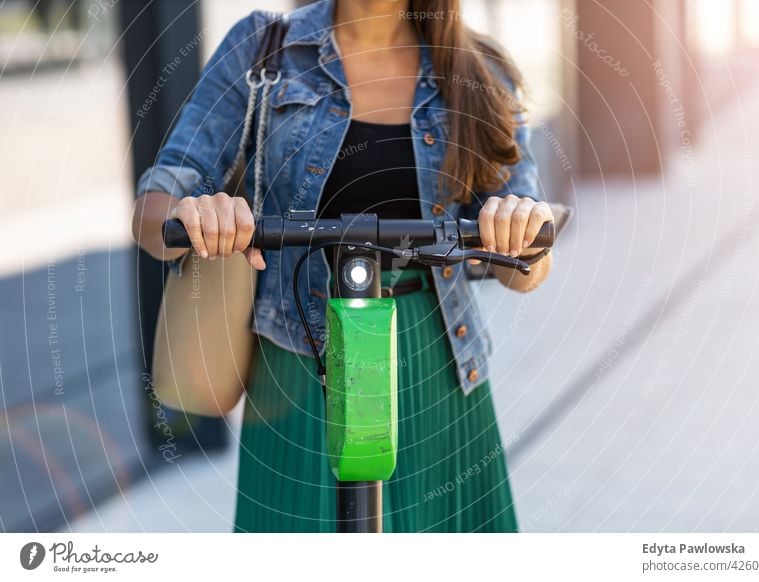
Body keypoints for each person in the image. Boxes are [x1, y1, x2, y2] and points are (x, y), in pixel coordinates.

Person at [132, 0, 554, 532]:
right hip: (297, 374)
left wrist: (518, 229)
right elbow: (154, 209)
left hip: (438, 375)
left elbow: (528, 266)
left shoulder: (478, 69)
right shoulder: (265, 47)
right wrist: (195, 215)